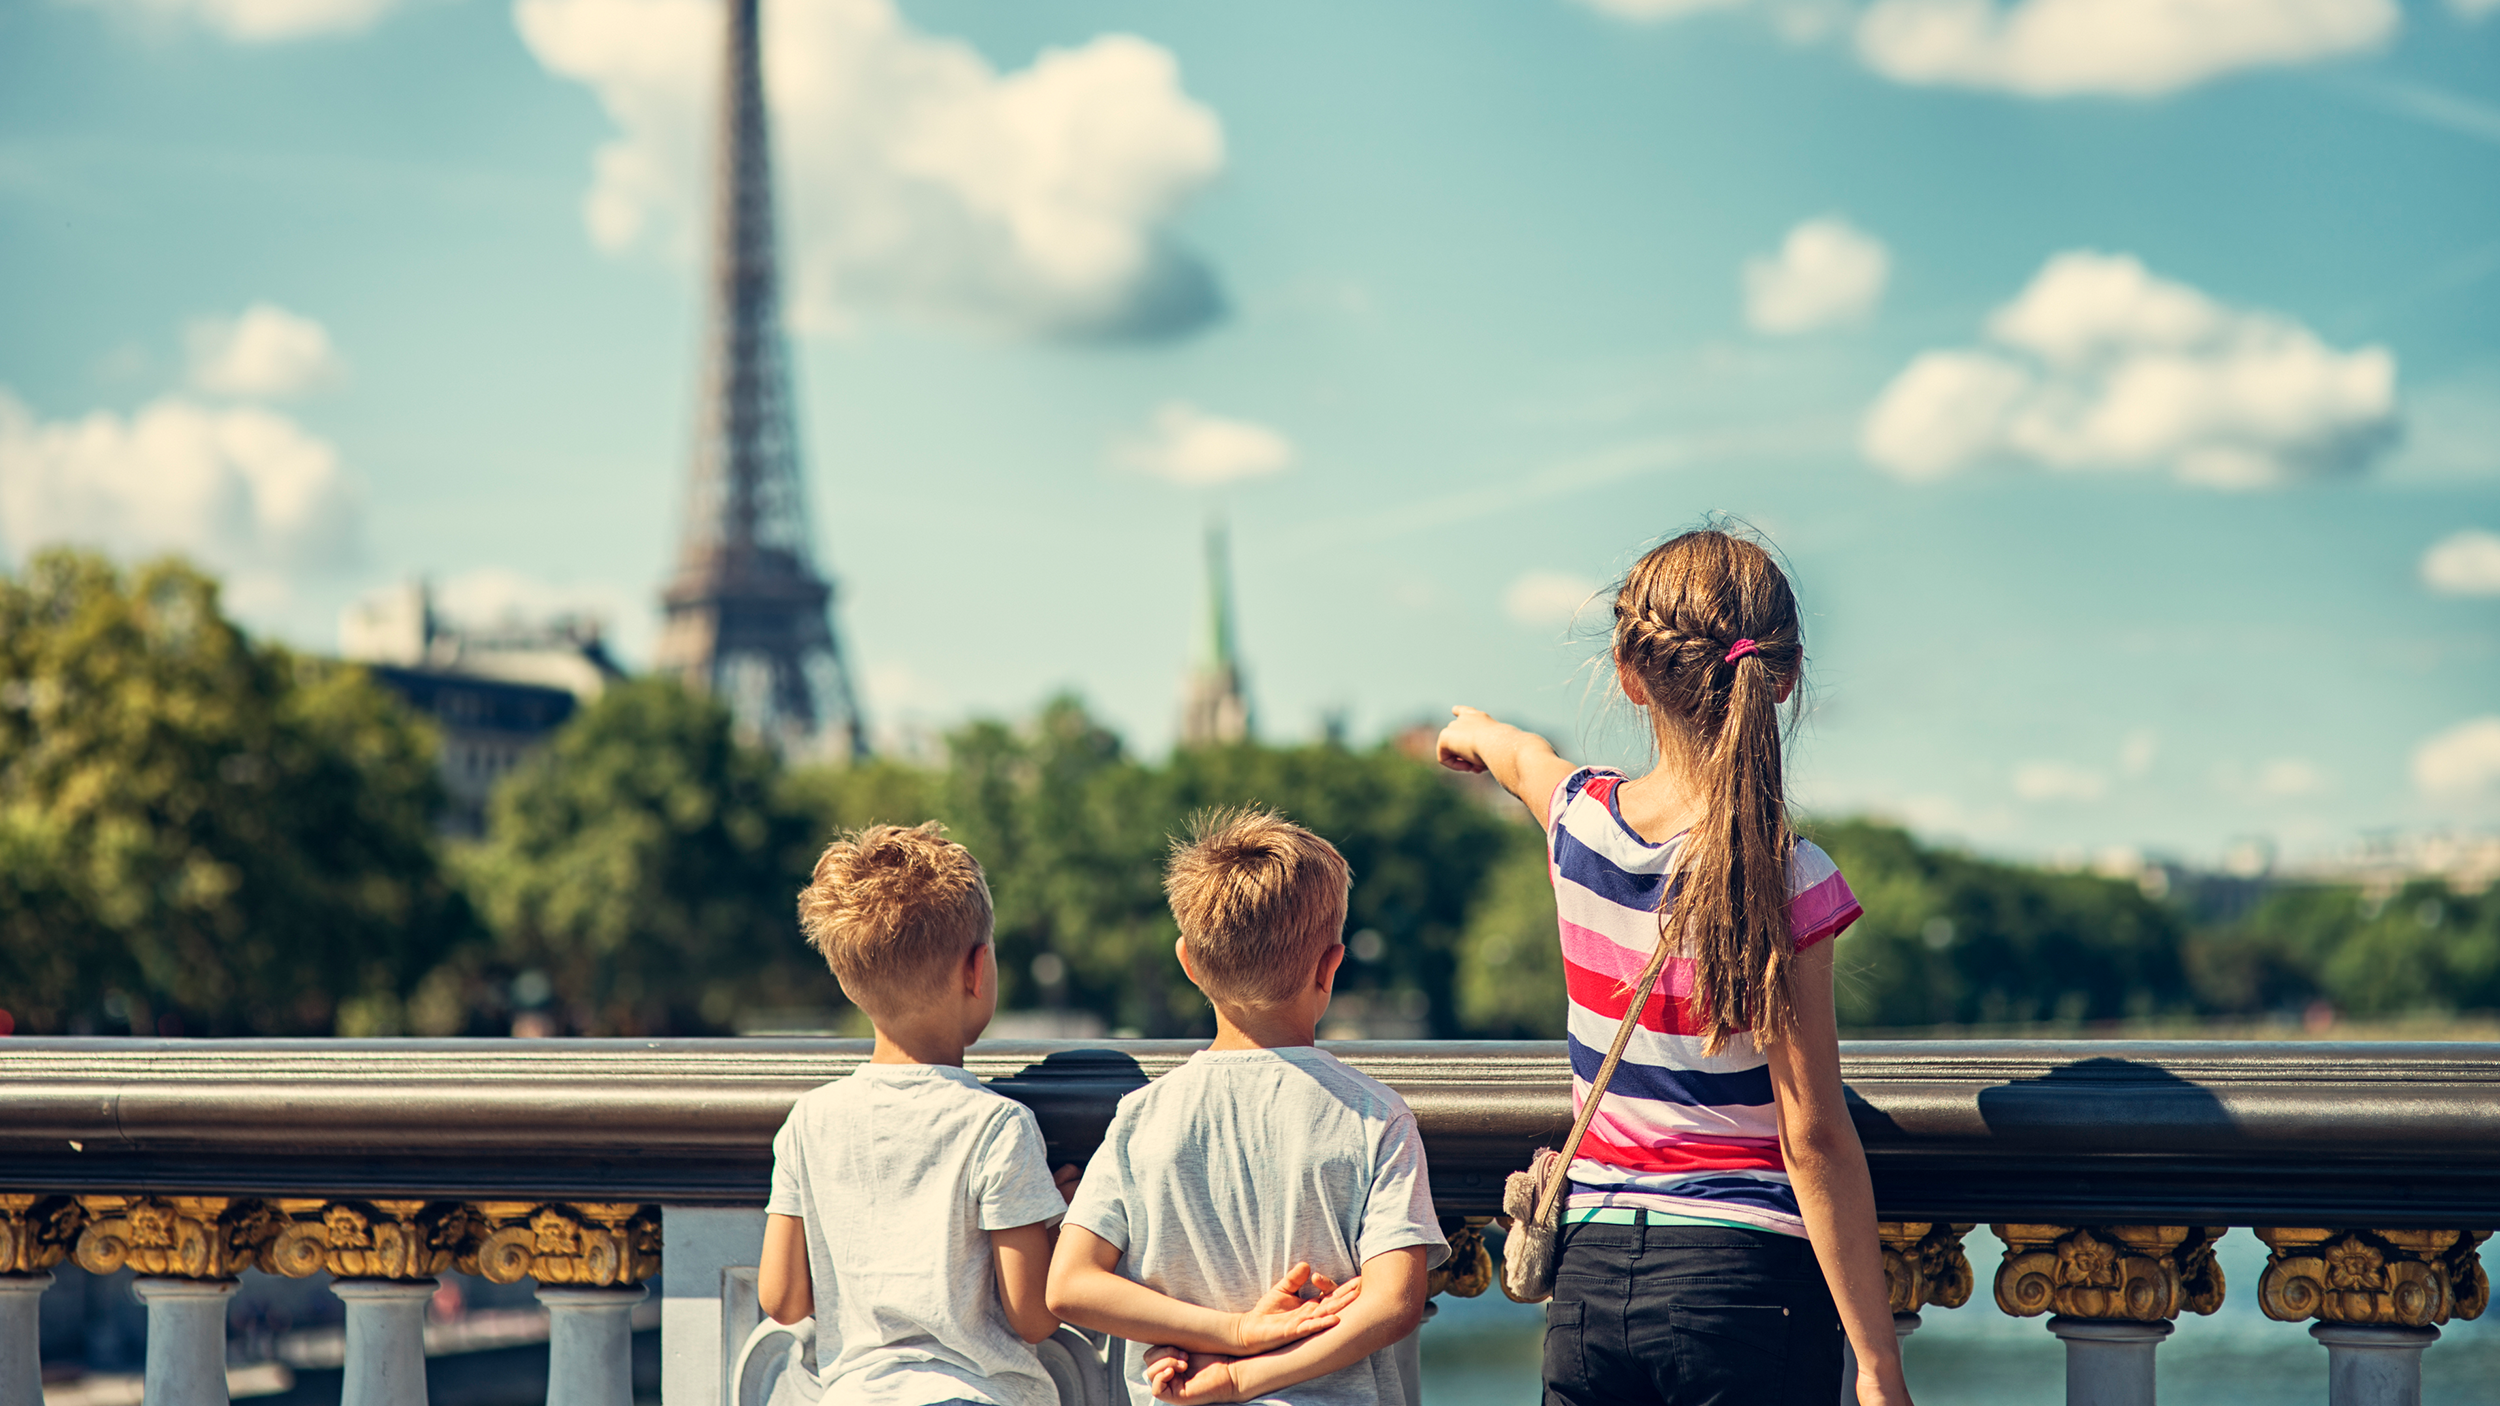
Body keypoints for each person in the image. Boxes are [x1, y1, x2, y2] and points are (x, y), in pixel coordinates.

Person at [1434, 528, 1912, 1406]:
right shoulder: (1788, 876)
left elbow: (1523, 762)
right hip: (1746, 1292)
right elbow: (1813, 1137)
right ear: (1784, 678)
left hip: (1590, 1288)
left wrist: (1474, 731)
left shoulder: (1581, 822)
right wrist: (1878, 1365)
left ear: (1628, 672)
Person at [1046, 808, 1449, 1405]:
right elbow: (1393, 1304)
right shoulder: (1377, 1118)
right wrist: (1241, 1375)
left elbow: (1070, 1286)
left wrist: (1223, 1335)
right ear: (1330, 966)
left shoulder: (1141, 1117)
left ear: (1188, 963)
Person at [757, 822, 1078, 1406]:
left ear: (848, 983)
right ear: (978, 971)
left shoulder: (810, 1120)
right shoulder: (996, 1127)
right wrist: (1057, 1226)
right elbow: (1033, 1316)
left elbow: (782, 1299)